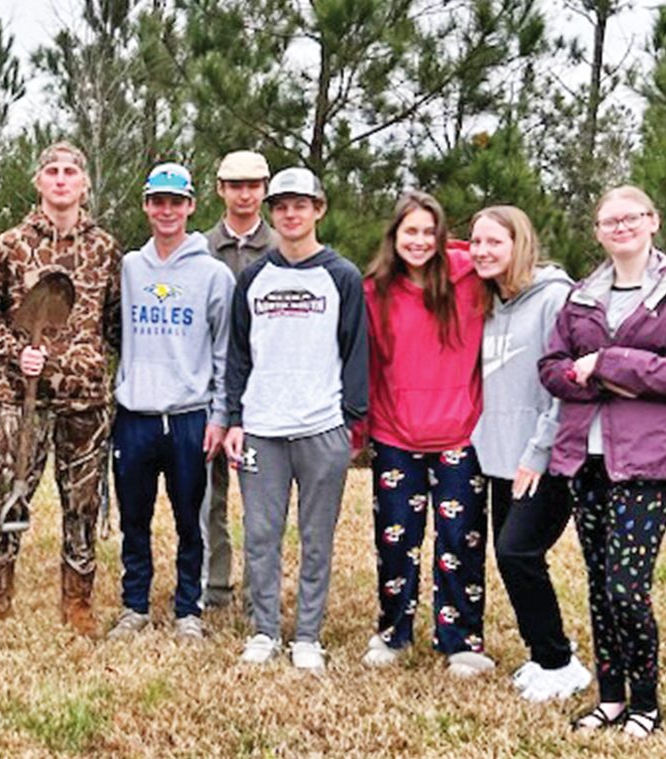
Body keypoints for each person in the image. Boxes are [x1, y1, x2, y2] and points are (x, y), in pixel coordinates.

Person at [0, 141, 121, 636]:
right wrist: (15, 350)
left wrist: (96, 365)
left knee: (82, 502)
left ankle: (78, 601)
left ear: (84, 184)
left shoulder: (104, 249)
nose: (60, 179)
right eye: (51, 171)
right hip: (22, 396)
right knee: (9, 492)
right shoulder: (10, 245)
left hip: (85, 398)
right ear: (38, 182)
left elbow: (115, 324)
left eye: (69, 172)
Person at [223, 167, 367, 671]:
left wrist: (348, 420)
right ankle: (264, 630)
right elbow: (238, 354)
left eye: (300, 205)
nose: (290, 214)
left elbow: (355, 350)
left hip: (321, 427)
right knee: (261, 535)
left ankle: (307, 634)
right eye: (281, 206)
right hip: (262, 428)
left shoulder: (342, 276)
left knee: (316, 538)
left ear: (318, 210)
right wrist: (236, 417)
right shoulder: (254, 277)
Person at [540, 185, 666, 739]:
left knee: (625, 588)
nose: (621, 227)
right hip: (584, 458)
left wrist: (610, 363)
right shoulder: (581, 295)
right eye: (609, 221)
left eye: (631, 217)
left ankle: (646, 701)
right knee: (598, 586)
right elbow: (552, 366)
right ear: (597, 232)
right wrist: (591, 377)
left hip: (645, 462)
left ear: (652, 221)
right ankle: (611, 697)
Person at [358, 191, 490, 677]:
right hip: (396, 435)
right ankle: (393, 631)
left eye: (428, 232)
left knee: (460, 540)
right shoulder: (374, 291)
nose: (419, 241)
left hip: (460, 435)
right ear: (394, 235)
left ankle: (461, 640)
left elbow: (516, 267)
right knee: (396, 541)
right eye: (409, 231)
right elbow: (368, 365)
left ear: (441, 236)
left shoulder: (472, 279)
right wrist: (361, 429)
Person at [107, 163, 234, 641]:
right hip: (136, 415)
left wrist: (219, 416)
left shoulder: (214, 274)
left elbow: (224, 351)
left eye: (175, 202)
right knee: (134, 519)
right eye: (158, 201)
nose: (166, 211)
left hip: (189, 416)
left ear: (191, 206)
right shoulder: (129, 268)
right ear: (146, 206)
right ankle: (134, 605)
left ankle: (188, 610)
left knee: (191, 521)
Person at [469, 205, 588, 700]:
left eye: (495, 242)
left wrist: (538, 451)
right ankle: (544, 653)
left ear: (520, 244)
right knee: (512, 557)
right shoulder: (488, 300)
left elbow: (566, 384)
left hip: (544, 456)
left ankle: (560, 663)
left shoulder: (555, 297)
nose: (482, 251)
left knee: (518, 551)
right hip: (498, 455)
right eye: (476, 242)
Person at [200, 150, 278, 611]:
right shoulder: (199, 247)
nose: (244, 194)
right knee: (208, 496)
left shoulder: (283, 248)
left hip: (264, 391)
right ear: (220, 189)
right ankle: (214, 586)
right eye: (235, 185)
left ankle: (258, 593)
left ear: (264, 189)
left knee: (261, 502)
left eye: (252, 185)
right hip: (209, 389)